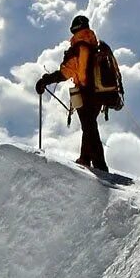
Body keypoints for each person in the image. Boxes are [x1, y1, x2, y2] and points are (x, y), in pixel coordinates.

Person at [35, 14, 109, 172]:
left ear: (74, 29)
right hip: (100, 92)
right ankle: (85, 158)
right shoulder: (95, 44)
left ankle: (100, 167)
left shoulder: (79, 47)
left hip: (85, 92)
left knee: (89, 127)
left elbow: (66, 72)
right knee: (89, 126)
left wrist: (45, 80)